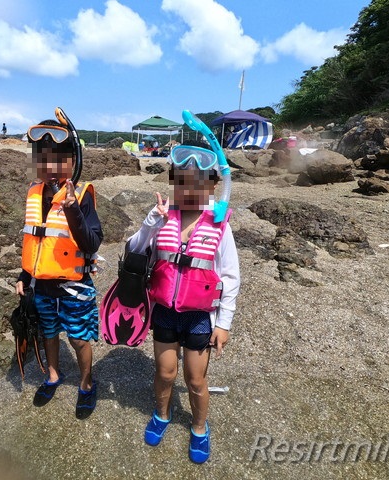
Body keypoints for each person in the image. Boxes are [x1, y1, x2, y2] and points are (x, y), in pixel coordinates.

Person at [127, 138, 240, 463]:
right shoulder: (163, 218)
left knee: (195, 379)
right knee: (164, 374)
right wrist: (152, 221)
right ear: (173, 182)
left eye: (198, 184)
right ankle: (161, 414)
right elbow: (135, 251)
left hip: (198, 319)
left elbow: (231, 277)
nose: (189, 191)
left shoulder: (219, 226)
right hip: (163, 313)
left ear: (213, 186)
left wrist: (223, 323)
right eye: (182, 182)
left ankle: (200, 428)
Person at [16, 115, 103, 420]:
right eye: (42, 159)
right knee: (49, 333)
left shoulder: (81, 195)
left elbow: (92, 243)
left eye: (57, 159)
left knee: (78, 339)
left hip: (73, 286)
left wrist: (73, 210)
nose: (50, 167)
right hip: (42, 285)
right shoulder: (34, 193)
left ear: (72, 159)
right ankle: (53, 375)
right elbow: (33, 238)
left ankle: (87, 384)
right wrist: (24, 275)